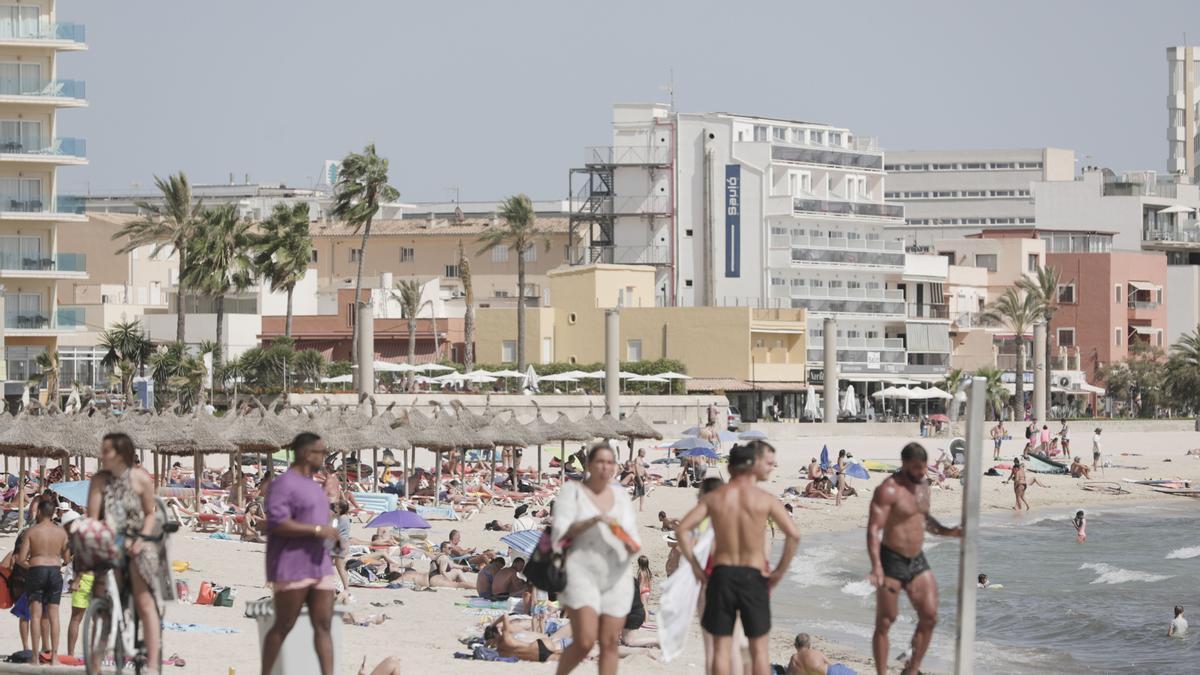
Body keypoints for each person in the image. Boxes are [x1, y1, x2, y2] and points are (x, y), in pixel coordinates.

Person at [676, 442, 801, 675]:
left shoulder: (716, 497)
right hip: (753, 575)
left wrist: (695, 567)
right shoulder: (764, 499)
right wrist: (778, 573)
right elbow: (794, 534)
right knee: (759, 651)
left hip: (722, 575)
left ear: (731, 470)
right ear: (752, 468)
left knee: (722, 648)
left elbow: (682, 529)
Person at [867, 442, 963, 675]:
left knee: (929, 616)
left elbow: (924, 520)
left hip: (917, 558)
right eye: (917, 468)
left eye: (923, 467)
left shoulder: (923, 487)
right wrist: (876, 566)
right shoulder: (888, 489)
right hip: (892, 559)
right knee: (886, 620)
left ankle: (912, 670)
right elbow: (873, 530)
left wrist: (949, 532)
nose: (922, 472)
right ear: (904, 464)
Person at [550, 441, 641, 675]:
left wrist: (622, 536)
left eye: (610, 462)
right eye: (600, 461)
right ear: (589, 464)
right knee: (585, 641)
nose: (605, 467)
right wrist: (592, 521)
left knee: (609, 642)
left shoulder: (620, 497)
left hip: (614, 576)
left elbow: (630, 540)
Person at [85, 433, 170, 674]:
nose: (102, 455)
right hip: (109, 538)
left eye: (106, 451)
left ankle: (153, 664)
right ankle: (97, 660)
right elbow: (92, 517)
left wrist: (142, 538)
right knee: (101, 602)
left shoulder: (141, 480)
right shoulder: (99, 480)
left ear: (121, 454)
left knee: (144, 601)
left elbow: (150, 513)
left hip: (137, 539)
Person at [261, 432, 339, 675]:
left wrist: (330, 499)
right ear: (307, 454)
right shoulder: (283, 485)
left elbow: (322, 522)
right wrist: (317, 530)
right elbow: (277, 523)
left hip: (320, 564)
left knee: (324, 625)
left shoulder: (314, 487)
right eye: (322, 452)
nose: (324, 457)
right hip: (291, 564)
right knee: (284, 625)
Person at [17, 497, 68, 665]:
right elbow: (67, 558)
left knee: (36, 616)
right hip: (54, 571)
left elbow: (21, 558)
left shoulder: (31, 532)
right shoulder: (61, 532)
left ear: (38, 512)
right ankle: (54, 657)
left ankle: (34, 658)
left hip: (36, 571)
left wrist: (30, 566)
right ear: (54, 513)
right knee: (54, 616)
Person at [484, 613, 561, 663]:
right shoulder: (505, 637)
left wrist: (486, 645)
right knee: (562, 652)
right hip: (541, 644)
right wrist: (493, 625)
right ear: (495, 634)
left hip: (539, 658)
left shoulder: (500, 652)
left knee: (562, 657)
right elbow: (505, 616)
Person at [331, 500, 352, 604]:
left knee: (339, 567)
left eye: (336, 505)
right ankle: (345, 588)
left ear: (339, 508)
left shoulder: (339, 518)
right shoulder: (345, 517)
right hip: (343, 543)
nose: (334, 506)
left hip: (337, 544)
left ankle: (345, 588)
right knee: (339, 567)